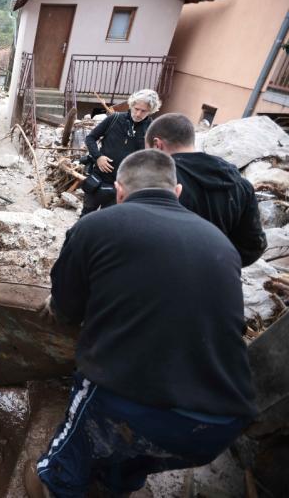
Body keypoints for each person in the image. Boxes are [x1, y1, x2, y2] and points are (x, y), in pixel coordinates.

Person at [26, 150, 257, 497]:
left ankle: (55, 484)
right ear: (177, 191)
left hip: (128, 405)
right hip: (219, 425)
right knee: (131, 462)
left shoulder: (95, 226)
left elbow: (66, 311)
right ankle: (119, 482)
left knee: (51, 477)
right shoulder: (220, 242)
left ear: (119, 191)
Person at [146, 112, 266, 267]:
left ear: (157, 145)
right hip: (214, 280)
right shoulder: (241, 186)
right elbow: (254, 245)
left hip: (163, 278)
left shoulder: (157, 180)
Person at [81, 89, 161, 217]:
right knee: (85, 217)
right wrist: (98, 157)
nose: (138, 113)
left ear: (151, 111)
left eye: (143, 111)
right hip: (98, 180)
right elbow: (90, 138)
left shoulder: (152, 130)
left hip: (123, 186)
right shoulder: (114, 119)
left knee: (109, 223)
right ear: (131, 105)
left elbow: (151, 158)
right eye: (136, 108)